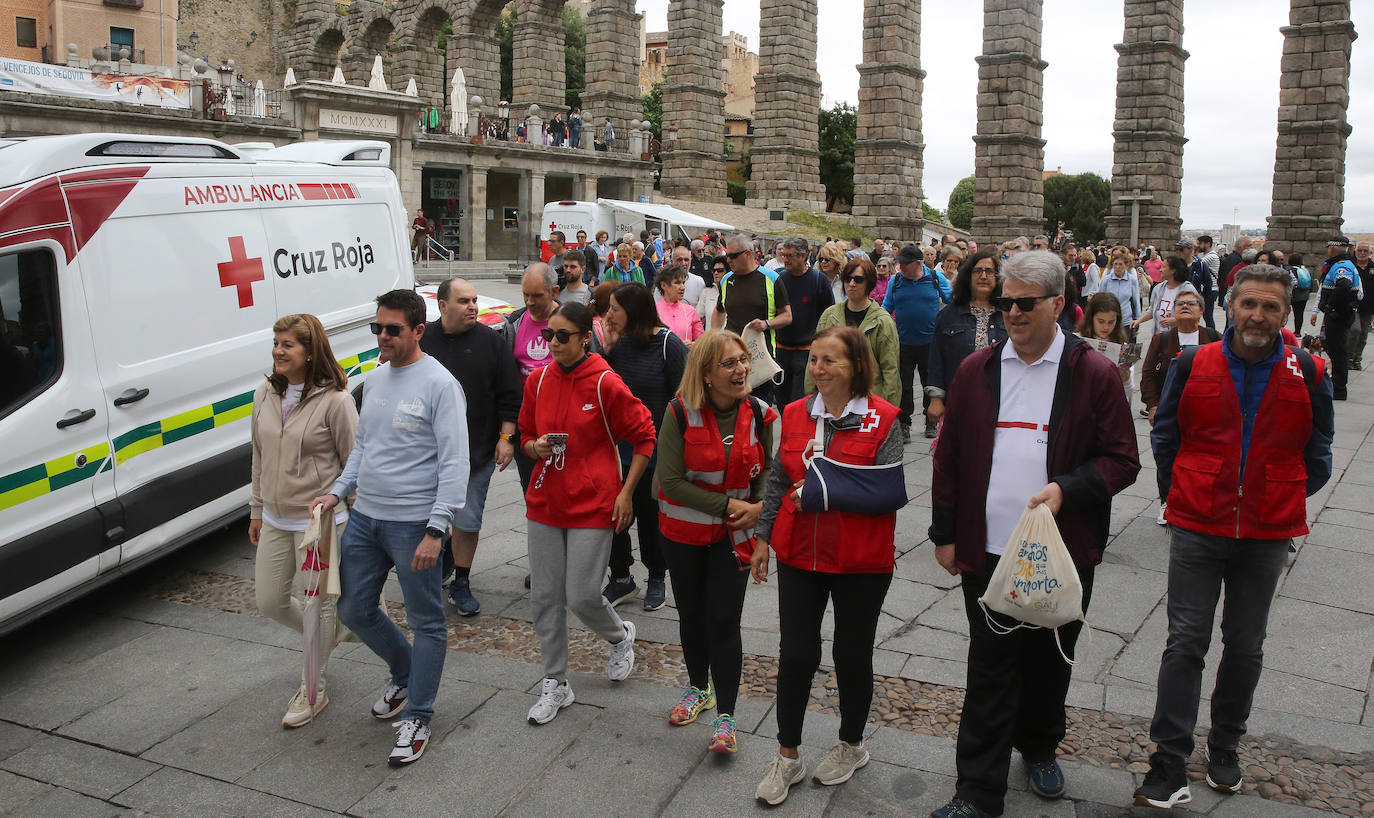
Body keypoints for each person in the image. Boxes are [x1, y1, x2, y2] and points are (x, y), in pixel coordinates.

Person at [928, 251, 1140, 818]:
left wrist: (1068, 489)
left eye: (1025, 303)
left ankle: (1041, 746)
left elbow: (1123, 459)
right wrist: (943, 532)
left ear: (1057, 305)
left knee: (1050, 660)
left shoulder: (1090, 372)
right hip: (988, 548)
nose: (1013, 313)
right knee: (990, 667)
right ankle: (976, 791)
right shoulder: (978, 368)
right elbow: (948, 456)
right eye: (1005, 302)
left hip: (1061, 551)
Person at [1134, 264, 1333, 810]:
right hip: (1199, 522)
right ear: (1232, 305)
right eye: (1249, 304)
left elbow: (1319, 454)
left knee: (1245, 645)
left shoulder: (1309, 371)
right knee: (1185, 641)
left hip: (1267, 531)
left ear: (1285, 313)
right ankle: (1169, 760)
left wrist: (1279, 492)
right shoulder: (1194, 361)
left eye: (1271, 307)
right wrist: (1182, 489)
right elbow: (1166, 433)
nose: (1258, 316)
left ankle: (1225, 744)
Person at [314, 289, 469, 767]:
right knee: (355, 609)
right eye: (377, 328)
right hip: (366, 519)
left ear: (418, 331)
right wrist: (338, 491)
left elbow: (455, 461)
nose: (382, 336)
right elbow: (364, 448)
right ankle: (405, 673)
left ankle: (419, 714)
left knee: (427, 622)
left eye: (393, 329)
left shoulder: (441, 385)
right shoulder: (375, 380)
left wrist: (437, 529)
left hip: (413, 524)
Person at [751, 326, 904, 806]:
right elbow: (778, 482)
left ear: (856, 366)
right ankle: (787, 755)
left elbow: (887, 494)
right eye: (814, 359)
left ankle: (852, 745)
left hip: (861, 561)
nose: (817, 368)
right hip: (800, 554)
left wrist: (822, 490)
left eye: (829, 360)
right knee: (796, 653)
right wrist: (761, 539)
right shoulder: (795, 414)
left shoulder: (883, 419)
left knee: (852, 654)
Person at [519, 302, 655, 725]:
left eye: (562, 336)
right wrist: (532, 447)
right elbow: (524, 433)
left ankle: (619, 636)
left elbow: (645, 437)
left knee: (580, 594)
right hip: (545, 501)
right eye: (548, 336)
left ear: (584, 337)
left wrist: (626, 494)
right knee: (544, 596)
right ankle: (556, 681)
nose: (553, 343)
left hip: (593, 503)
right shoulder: (538, 380)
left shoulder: (605, 383)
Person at [656, 329, 778, 754]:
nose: (742, 368)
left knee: (724, 622)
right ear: (705, 373)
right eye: (730, 363)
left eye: (744, 359)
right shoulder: (678, 412)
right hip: (682, 536)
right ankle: (697, 688)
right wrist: (731, 506)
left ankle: (726, 715)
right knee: (691, 616)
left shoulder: (763, 414)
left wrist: (760, 514)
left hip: (734, 541)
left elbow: (771, 479)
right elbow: (669, 483)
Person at [251, 313, 358, 728]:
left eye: (287, 344)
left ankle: (312, 688)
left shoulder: (336, 401)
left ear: (310, 351)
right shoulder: (264, 393)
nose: (278, 351)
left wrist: (357, 521)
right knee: (270, 601)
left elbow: (354, 463)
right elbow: (258, 454)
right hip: (277, 519)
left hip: (322, 523)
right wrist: (257, 509)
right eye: (276, 343)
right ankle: (327, 638)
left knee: (318, 608)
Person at [419, 278, 521, 616]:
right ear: (443, 306)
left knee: (468, 518)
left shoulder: (491, 342)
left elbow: (509, 394)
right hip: (427, 453)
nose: (473, 307)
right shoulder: (423, 341)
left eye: (475, 300)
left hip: (476, 452)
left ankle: (461, 581)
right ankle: (431, 568)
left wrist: (506, 439)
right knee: (427, 516)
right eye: (464, 301)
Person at [601, 282, 687, 610]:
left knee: (651, 520)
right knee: (615, 516)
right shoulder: (616, 344)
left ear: (633, 312)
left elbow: (687, 397)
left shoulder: (668, 344)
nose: (608, 315)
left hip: (656, 452)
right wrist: (606, 352)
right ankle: (621, 577)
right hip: (616, 450)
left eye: (614, 309)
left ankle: (656, 577)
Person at [926, 251, 1006, 427]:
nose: (983, 276)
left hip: (1000, 401)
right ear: (968, 276)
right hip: (958, 400)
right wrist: (936, 398)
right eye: (977, 271)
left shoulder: (1009, 315)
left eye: (989, 271)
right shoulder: (949, 315)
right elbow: (936, 358)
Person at [713, 233, 794, 405]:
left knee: (759, 410)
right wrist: (713, 336)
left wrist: (766, 324)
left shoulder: (771, 278)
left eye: (733, 256)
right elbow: (719, 310)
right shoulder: (727, 280)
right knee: (732, 408)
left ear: (748, 254)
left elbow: (787, 316)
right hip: (730, 355)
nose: (728, 261)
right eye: (727, 256)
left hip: (760, 358)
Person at [807, 257, 900, 405]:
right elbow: (813, 358)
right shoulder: (829, 315)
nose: (851, 284)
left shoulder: (883, 321)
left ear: (869, 283)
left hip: (868, 401)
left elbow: (891, 371)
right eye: (847, 279)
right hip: (832, 399)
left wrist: (888, 411)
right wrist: (810, 398)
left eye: (858, 280)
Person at [883, 244, 952, 441]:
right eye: (899, 262)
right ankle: (905, 423)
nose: (900, 266)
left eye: (904, 263)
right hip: (903, 342)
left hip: (930, 343)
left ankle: (931, 421)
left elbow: (952, 300)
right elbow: (886, 308)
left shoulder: (935, 278)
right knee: (904, 386)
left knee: (929, 384)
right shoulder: (895, 281)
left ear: (918, 263)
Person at [773, 237, 836, 405]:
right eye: (783, 255)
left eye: (790, 256)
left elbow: (828, 316)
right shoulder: (779, 279)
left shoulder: (819, 280)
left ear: (803, 256)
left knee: (799, 401)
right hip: (781, 351)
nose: (785, 259)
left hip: (806, 352)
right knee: (781, 400)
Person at [1309, 235, 1362, 400]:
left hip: (1338, 315)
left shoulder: (1341, 266)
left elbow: (1344, 286)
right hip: (1338, 314)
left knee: (1337, 350)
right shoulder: (1343, 264)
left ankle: (1339, 388)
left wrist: (1330, 306)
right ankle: (1337, 384)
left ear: (1332, 249)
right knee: (1331, 346)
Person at [1078, 292, 1134, 404]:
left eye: (1111, 322)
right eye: (1101, 321)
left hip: (1109, 407)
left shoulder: (1123, 347)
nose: (1106, 327)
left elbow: (1128, 394)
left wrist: (1126, 378)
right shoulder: (1078, 341)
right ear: (1091, 318)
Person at [1143, 255, 1193, 342]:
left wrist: (1176, 320)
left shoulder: (1188, 289)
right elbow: (1152, 309)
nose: (1160, 270)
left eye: (1164, 267)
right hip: (1159, 337)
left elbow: (1195, 314)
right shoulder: (1158, 288)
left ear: (1173, 270)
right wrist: (1138, 321)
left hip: (1179, 339)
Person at [655, 265, 705, 344]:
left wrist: (693, 345)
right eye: (677, 283)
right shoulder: (653, 311)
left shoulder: (690, 311)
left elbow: (702, 342)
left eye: (683, 283)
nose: (682, 287)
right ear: (663, 285)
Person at [1351, 241, 1373, 369]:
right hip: (1352, 305)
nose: (1362, 253)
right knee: (1355, 330)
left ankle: (1357, 359)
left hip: (1368, 307)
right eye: (1360, 250)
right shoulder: (1351, 266)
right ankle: (1348, 357)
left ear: (1370, 253)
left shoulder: (1373, 267)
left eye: (1365, 251)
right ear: (1356, 251)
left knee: (1364, 334)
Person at [1196, 235, 1221, 329]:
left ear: (1208, 244)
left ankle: (1211, 335)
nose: (1199, 246)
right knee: (1207, 316)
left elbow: (1197, 264)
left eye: (1200, 243)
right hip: (1211, 289)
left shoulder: (1211, 256)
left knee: (1208, 316)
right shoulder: (1210, 255)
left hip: (1210, 289)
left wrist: (1194, 253)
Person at [1288, 252, 1313, 333]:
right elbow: (1311, 283)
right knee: (1300, 313)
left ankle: (1295, 332)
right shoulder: (1305, 269)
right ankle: (1298, 332)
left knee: (1295, 313)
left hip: (1296, 295)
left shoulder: (1291, 270)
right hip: (1305, 295)